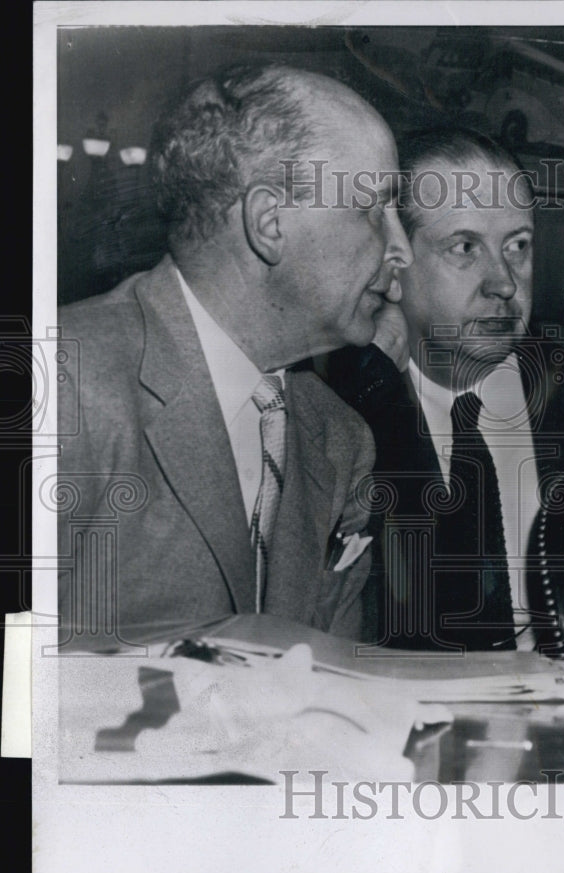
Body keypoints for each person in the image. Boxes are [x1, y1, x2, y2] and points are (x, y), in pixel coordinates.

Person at [57, 64, 414, 642]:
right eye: (375, 209)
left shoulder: (341, 439)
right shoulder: (63, 383)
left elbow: (331, 691)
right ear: (270, 222)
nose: (401, 251)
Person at [322, 127, 564, 665]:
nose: (504, 283)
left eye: (518, 246)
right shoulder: (337, 417)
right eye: (465, 248)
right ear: (393, 262)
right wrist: (383, 395)